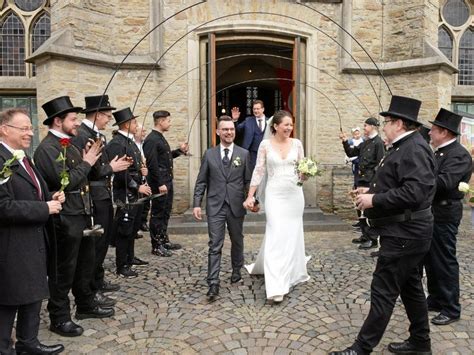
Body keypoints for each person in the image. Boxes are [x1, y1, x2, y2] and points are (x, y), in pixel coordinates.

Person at [330, 95, 436, 355]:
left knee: (383, 291)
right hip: (404, 233)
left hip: (405, 234)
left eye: (387, 121)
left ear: (399, 123)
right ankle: (421, 343)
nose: (384, 125)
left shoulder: (414, 148)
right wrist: (369, 190)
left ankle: (361, 349)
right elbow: (400, 183)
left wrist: (374, 199)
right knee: (410, 288)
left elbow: (415, 192)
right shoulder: (404, 146)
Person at [34, 96, 114, 337]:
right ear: (58, 121)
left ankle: (85, 305)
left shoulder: (69, 144)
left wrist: (90, 159)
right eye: (72, 118)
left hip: (81, 212)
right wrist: (87, 162)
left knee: (85, 263)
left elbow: (84, 178)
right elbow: (64, 182)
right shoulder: (47, 149)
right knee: (63, 270)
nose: (77, 122)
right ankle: (59, 317)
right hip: (64, 218)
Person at [0, 108, 65, 355]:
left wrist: (50, 196)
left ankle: (29, 343)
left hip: (34, 241)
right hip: (11, 245)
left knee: (33, 293)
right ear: (5, 129)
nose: (30, 132)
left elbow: (32, 191)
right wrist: (44, 208)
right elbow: (3, 206)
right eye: (24, 128)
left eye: (30, 127)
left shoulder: (23, 157)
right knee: (9, 300)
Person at [243, 110, 310, 303]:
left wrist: (306, 173)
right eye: (285, 125)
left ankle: (290, 271)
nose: (289, 128)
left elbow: (301, 171)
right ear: (275, 126)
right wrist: (250, 195)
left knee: (291, 233)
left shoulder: (297, 144)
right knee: (276, 232)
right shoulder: (265, 145)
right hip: (274, 195)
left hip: (294, 195)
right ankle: (276, 286)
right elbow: (259, 170)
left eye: (291, 125)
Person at [72, 95, 130, 305]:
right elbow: (86, 171)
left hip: (103, 196)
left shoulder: (95, 134)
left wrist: (111, 166)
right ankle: (89, 290)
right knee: (94, 248)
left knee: (102, 244)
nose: (108, 120)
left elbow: (99, 167)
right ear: (97, 115)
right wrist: (111, 168)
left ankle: (97, 280)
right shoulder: (82, 136)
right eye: (106, 116)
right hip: (94, 198)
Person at [193, 116, 252, 300]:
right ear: (218, 132)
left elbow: (249, 181)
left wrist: (251, 199)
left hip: (236, 205)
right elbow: (201, 180)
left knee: (237, 240)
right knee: (215, 244)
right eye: (225, 129)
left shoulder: (243, 154)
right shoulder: (209, 154)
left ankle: (236, 269)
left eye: (232, 129)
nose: (229, 132)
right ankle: (213, 282)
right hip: (215, 205)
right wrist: (197, 203)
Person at [423, 108, 472, 326]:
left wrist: (418, 181)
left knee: (444, 260)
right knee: (430, 260)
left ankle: (451, 307)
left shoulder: (458, 154)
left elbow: (444, 183)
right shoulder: (439, 152)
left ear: (444, 132)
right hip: (433, 212)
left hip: (445, 213)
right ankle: (435, 299)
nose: (430, 133)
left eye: (433, 130)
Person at [106, 107, 151, 278]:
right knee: (124, 228)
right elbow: (120, 171)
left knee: (132, 227)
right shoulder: (117, 143)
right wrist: (135, 186)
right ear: (125, 124)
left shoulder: (130, 142)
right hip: (125, 192)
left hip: (135, 191)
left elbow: (134, 166)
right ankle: (121, 264)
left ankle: (130, 257)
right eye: (133, 122)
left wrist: (142, 172)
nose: (136, 124)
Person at [143, 110, 188, 257]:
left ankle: (163, 240)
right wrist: (160, 183)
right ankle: (156, 245)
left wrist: (179, 151)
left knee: (166, 212)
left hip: (167, 181)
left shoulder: (160, 138)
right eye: (168, 120)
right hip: (159, 183)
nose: (170, 123)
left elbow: (165, 158)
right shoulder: (151, 139)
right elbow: (152, 164)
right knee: (158, 214)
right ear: (160, 121)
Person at [340, 117, 384, 250]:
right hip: (360, 179)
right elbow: (351, 152)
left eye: (365, 126)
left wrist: (375, 181)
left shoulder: (378, 143)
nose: (363, 128)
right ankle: (365, 235)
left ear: (372, 127)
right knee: (360, 208)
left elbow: (380, 163)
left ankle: (372, 238)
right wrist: (344, 141)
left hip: (370, 180)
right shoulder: (365, 143)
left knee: (369, 210)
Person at [231, 99, 268, 171]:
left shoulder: (269, 121)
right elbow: (237, 130)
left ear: (263, 109)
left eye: (258, 109)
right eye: (254, 109)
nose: (256, 111)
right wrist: (235, 120)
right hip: (251, 155)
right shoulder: (248, 120)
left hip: (266, 153)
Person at [134, 123, 150, 233]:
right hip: (136, 180)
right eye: (142, 131)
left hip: (145, 178)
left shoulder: (145, 144)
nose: (144, 133)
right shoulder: (131, 145)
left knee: (146, 202)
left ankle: (142, 222)